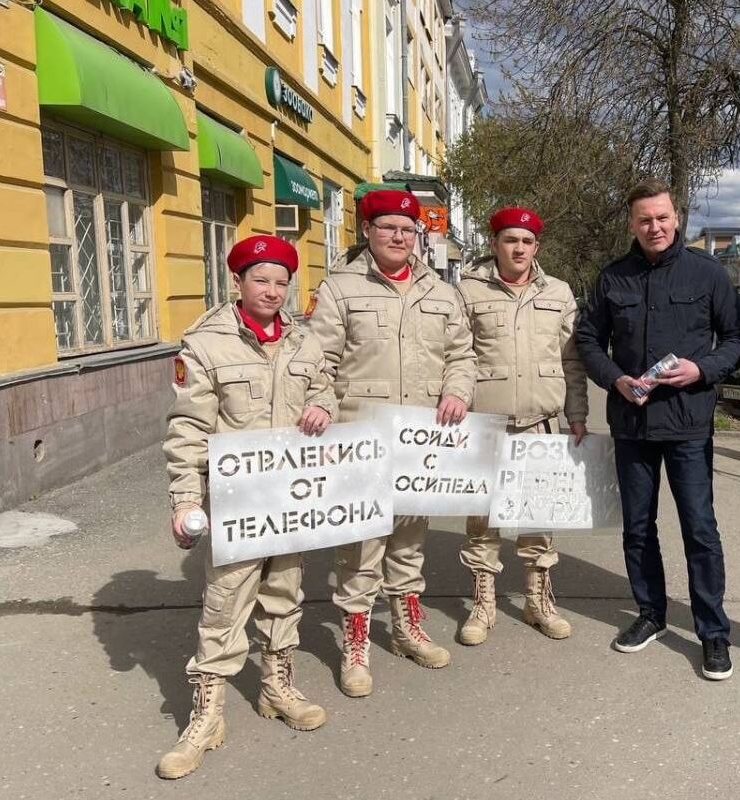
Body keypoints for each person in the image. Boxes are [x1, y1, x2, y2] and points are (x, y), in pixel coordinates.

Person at [159, 235, 335, 779]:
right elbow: (187, 429)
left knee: (285, 591)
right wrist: (186, 498)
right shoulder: (206, 345)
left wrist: (322, 408)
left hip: (291, 497)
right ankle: (207, 713)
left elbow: (326, 388)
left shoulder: (303, 342)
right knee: (226, 601)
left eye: (282, 282)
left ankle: (276, 686)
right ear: (238, 282)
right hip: (237, 501)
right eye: (261, 280)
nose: (272, 291)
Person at [574, 179, 740, 681]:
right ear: (632, 224)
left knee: (699, 529)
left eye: (662, 217)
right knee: (637, 528)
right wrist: (613, 378)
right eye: (644, 219)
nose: (654, 227)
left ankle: (713, 633)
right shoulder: (613, 278)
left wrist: (703, 369)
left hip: (689, 425)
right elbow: (588, 341)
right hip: (632, 424)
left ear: (677, 219)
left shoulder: (708, 273)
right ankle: (650, 614)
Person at [308, 188, 476, 698]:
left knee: (409, 538)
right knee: (361, 545)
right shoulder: (340, 289)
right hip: (361, 435)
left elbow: (462, 355)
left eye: (407, 229)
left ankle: (406, 628)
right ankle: (355, 643)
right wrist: (321, 406)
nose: (399, 237)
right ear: (367, 232)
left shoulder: (442, 293)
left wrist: (457, 391)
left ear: (417, 235)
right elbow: (318, 360)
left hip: (419, 439)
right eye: (387, 228)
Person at [454, 206, 589, 646]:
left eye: (527, 241)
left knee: (538, 515)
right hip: (486, 424)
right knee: (483, 519)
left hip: (540, 424)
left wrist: (577, 414)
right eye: (510, 240)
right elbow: (456, 354)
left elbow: (571, 360)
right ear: (494, 244)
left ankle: (537, 600)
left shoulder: (559, 292)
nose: (519, 248)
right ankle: (484, 603)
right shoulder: (468, 292)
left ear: (537, 247)